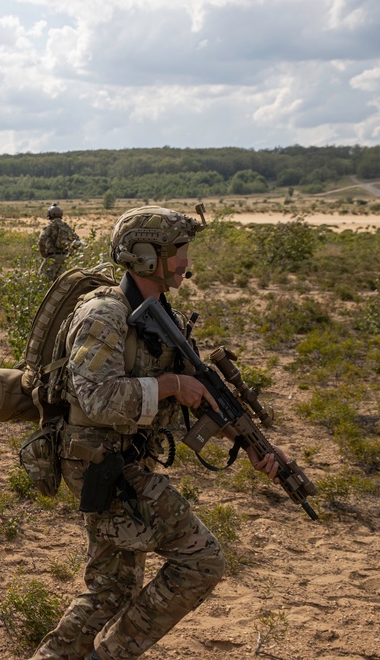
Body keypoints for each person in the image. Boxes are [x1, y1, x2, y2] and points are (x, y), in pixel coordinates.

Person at [30, 206, 283, 660]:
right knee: (201, 561)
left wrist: (250, 446)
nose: (187, 259)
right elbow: (95, 398)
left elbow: (202, 394)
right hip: (99, 462)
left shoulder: (158, 314)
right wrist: (168, 386)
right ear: (148, 257)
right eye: (178, 249)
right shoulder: (104, 315)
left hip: (123, 460)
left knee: (111, 590)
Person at [38, 203, 81, 283]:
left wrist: (44, 254)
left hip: (52, 257)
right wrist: (71, 253)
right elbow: (77, 241)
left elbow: (42, 240)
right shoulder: (66, 226)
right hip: (64, 257)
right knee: (60, 283)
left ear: (50, 214)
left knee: (43, 280)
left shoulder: (50, 226)